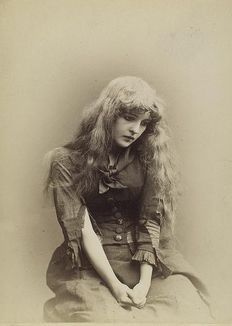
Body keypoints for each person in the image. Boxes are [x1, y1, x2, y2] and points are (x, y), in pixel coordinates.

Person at [44, 76, 212, 322]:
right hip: (92, 265)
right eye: (129, 118)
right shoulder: (65, 160)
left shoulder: (149, 158)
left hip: (145, 262)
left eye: (144, 123)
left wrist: (144, 285)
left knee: (185, 306)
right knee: (100, 316)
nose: (136, 130)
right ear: (108, 115)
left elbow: (150, 222)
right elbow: (82, 230)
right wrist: (115, 286)